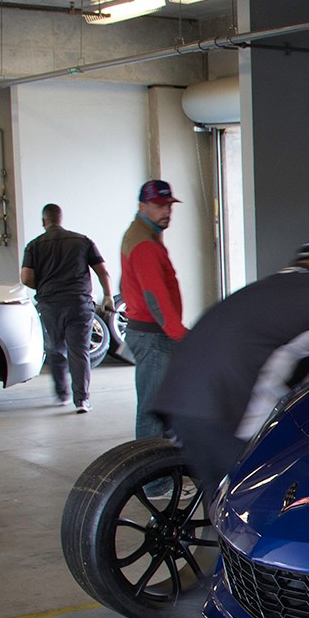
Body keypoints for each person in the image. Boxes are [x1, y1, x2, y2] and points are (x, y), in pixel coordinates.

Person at [152, 238, 309, 490]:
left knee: (218, 498)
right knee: (274, 496)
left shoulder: (258, 291)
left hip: (176, 402)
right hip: (226, 414)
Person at [20, 203, 113, 412]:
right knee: (79, 351)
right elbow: (103, 271)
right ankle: (81, 400)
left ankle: (62, 394)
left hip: (50, 305)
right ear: (61, 219)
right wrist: (108, 296)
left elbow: (26, 277)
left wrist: (43, 286)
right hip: (79, 303)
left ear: (44, 222)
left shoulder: (34, 245)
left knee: (55, 347)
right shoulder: (82, 241)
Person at [120, 179, 188, 440]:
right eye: (159, 206)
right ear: (142, 206)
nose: (166, 212)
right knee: (152, 411)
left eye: (169, 205)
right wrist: (179, 334)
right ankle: (155, 482)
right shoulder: (145, 245)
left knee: (166, 407)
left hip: (152, 333)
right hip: (154, 337)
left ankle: (166, 470)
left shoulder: (143, 235)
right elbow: (155, 297)